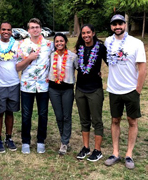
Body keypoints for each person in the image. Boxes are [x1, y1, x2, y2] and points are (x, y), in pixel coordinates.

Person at [104, 14, 147, 169]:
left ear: (125, 24)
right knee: (115, 120)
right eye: (114, 24)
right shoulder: (108, 42)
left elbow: (142, 68)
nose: (117, 27)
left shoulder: (136, 43)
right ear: (111, 26)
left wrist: (138, 90)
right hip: (114, 89)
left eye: (120, 24)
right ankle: (115, 153)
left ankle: (129, 154)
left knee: (132, 121)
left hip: (131, 90)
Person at [16, 18, 53, 154]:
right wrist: (29, 58)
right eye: (32, 27)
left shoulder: (49, 45)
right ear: (28, 30)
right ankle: (26, 141)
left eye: (37, 27)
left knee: (43, 114)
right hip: (27, 85)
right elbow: (17, 67)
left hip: (44, 85)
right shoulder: (21, 45)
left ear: (41, 28)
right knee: (26, 114)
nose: (35, 29)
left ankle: (40, 141)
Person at [75, 24, 107, 162]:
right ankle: (86, 147)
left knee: (97, 121)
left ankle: (98, 150)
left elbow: (111, 63)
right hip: (80, 89)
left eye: (88, 32)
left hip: (95, 90)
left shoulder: (100, 47)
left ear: (93, 33)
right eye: (83, 33)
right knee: (84, 120)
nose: (86, 35)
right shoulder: (79, 48)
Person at [0, 22, 20, 153]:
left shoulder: (16, 44)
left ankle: (9, 138)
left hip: (14, 83)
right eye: (3, 29)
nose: (6, 32)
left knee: (10, 112)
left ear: (11, 32)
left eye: (8, 30)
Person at [48, 33, 77, 155]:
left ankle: (64, 142)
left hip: (67, 89)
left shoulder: (72, 56)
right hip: (53, 89)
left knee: (66, 116)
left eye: (61, 41)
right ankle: (64, 139)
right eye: (57, 41)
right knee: (59, 116)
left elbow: (80, 69)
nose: (59, 43)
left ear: (65, 42)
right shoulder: (51, 56)